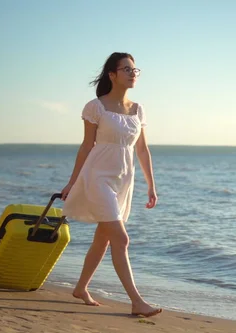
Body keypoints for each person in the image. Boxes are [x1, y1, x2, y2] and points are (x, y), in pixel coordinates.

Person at [60, 52, 162, 318]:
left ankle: (81, 288)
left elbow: (142, 149)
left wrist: (151, 186)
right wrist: (72, 183)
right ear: (112, 75)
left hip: (123, 179)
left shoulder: (138, 109)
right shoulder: (96, 107)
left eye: (135, 69)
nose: (133, 73)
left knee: (104, 238)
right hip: (97, 176)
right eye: (126, 69)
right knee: (121, 238)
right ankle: (137, 301)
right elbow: (86, 146)